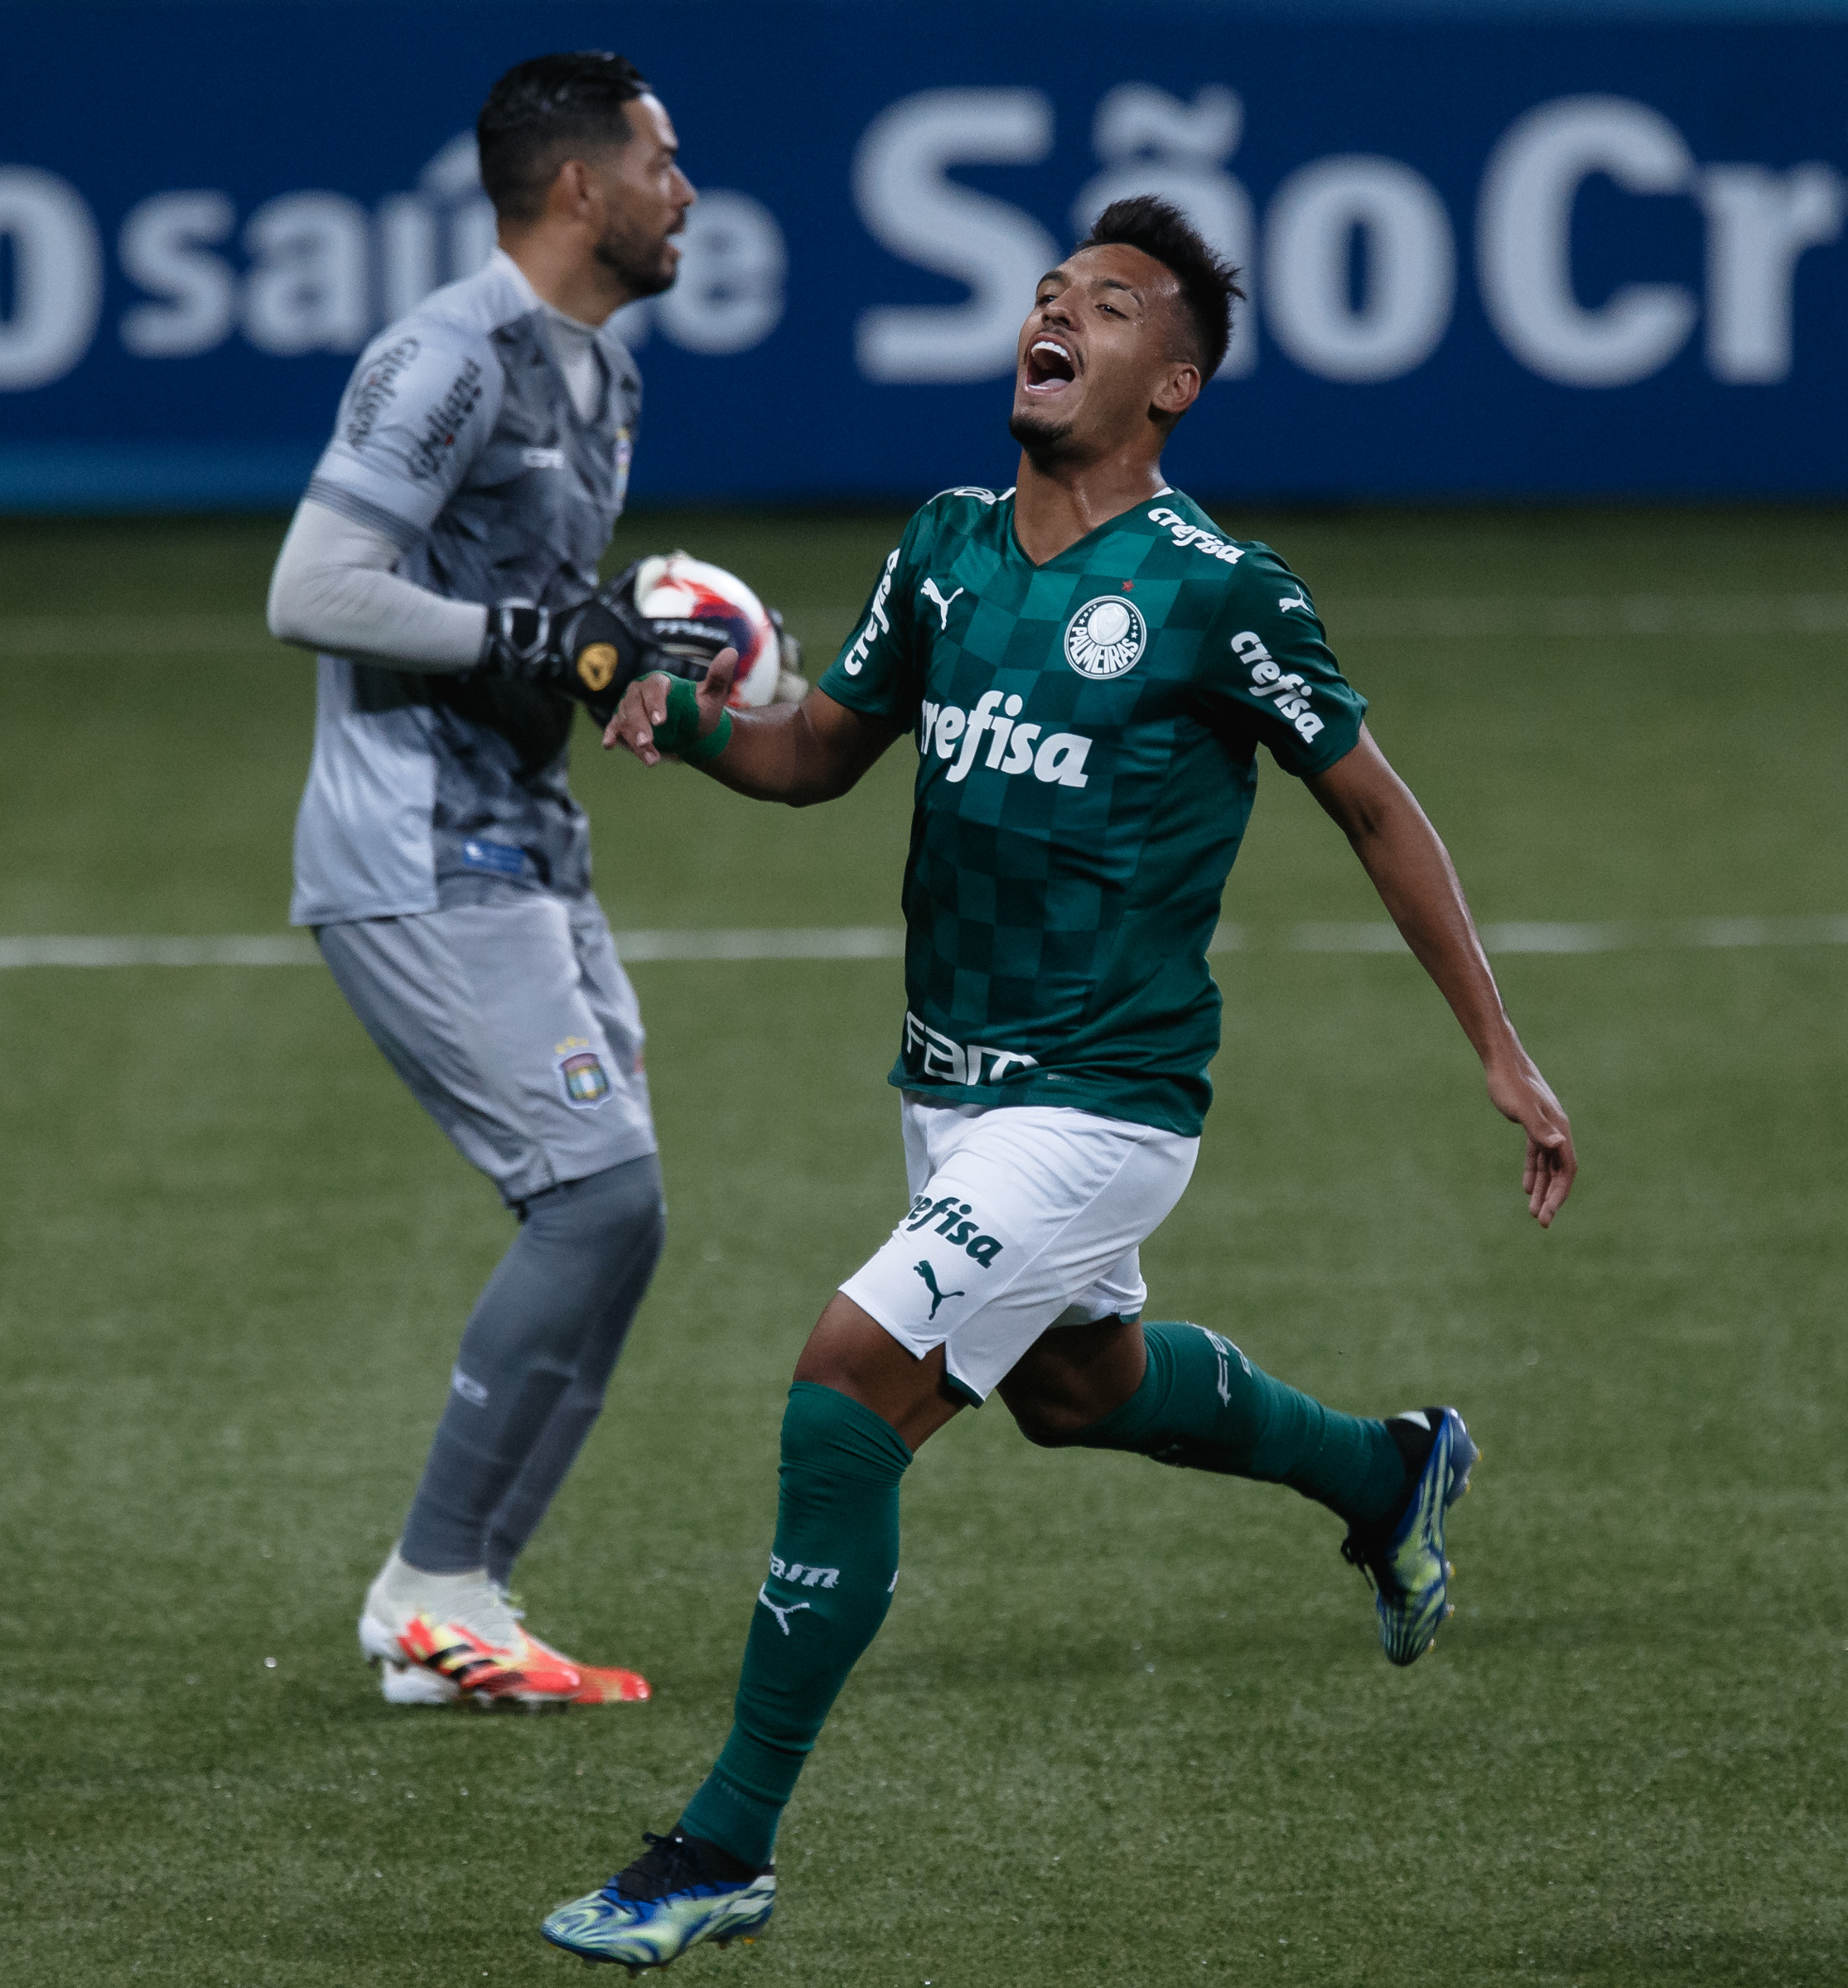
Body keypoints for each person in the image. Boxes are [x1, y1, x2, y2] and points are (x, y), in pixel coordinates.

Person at [537, 195, 1578, 1962]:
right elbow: (811, 757)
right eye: (1044, 296)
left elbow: (1377, 806)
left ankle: (724, 1848)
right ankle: (1387, 1477)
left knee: (843, 1395)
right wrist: (679, 716)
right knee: (1078, 1389)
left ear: (1167, 382)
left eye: (1103, 305)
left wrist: (1497, 1041)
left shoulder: (1217, 591)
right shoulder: (943, 548)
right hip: (948, 1085)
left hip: (1103, 1103)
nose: (1055, 316)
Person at [264, 51, 743, 1710]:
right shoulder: (443, 356)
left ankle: (464, 1608)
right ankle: (427, 1592)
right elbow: (315, 585)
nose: (686, 191)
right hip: (414, 840)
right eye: (663, 162)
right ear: (577, 187)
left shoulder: (598, 379)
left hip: (522, 838)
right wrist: (545, 635)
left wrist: (640, 654)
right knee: (596, 1198)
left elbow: (543, 622)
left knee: (624, 1220)